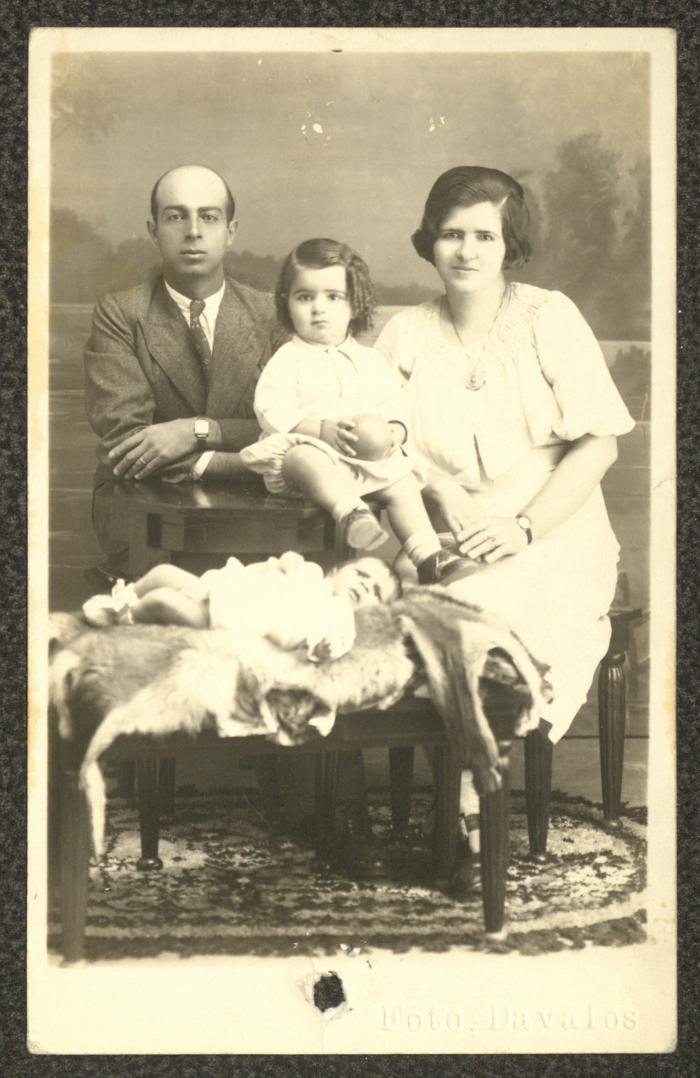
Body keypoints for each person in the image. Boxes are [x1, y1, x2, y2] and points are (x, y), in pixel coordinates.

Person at [376, 166, 635, 883]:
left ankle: (462, 814)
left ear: (509, 242)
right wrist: (438, 489)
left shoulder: (548, 316)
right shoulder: (404, 331)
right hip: (442, 523)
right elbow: (376, 443)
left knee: (494, 613)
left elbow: (600, 443)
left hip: (552, 523)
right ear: (429, 241)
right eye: (451, 233)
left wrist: (522, 527)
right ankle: (459, 807)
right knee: (412, 603)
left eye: (483, 234)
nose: (465, 249)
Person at [84, 164, 285, 571]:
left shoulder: (271, 314)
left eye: (209, 217)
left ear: (230, 231)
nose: (193, 231)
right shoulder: (121, 313)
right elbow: (127, 444)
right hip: (148, 518)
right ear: (153, 230)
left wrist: (196, 431)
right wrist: (252, 460)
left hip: (262, 517)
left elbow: (295, 426)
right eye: (176, 216)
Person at [240, 238, 461, 581]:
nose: (318, 308)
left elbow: (394, 404)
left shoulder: (371, 361)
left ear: (355, 305)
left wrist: (393, 433)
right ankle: (351, 513)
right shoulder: (289, 358)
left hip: (365, 462)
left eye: (333, 297)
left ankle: (428, 557)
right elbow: (270, 406)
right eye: (304, 297)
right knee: (300, 457)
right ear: (286, 305)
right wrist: (319, 429)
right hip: (311, 464)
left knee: (401, 483)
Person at [82, 550, 401, 663]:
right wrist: (283, 562)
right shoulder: (312, 572)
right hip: (221, 589)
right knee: (163, 574)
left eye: (374, 591)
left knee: (162, 601)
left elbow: (333, 640)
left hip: (221, 622)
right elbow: (264, 571)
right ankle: (121, 598)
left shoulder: (339, 614)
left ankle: (124, 619)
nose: (363, 585)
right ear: (335, 571)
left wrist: (326, 647)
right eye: (360, 574)